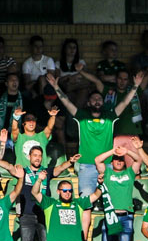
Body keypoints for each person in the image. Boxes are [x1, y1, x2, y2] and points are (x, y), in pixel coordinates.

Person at [46, 71, 141, 201]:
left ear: (103, 102)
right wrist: (56, 87)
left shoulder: (109, 116)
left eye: (99, 99)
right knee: (86, 201)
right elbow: (67, 102)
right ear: (89, 103)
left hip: (107, 165)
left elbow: (124, 103)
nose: (97, 101)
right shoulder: (82, 116)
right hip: (86, 166)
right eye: (94, 99)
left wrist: (135, 86)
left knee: (110, 201)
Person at [0, 149, 78, 241]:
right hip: (27, 214)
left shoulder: (46, 172)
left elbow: (60, 168)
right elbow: (9, 167)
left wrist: (70, 162)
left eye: (40, 156)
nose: (37, 158)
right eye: (35, 155)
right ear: (29, 157)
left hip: (44, 214)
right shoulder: (23, 172)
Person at [95, 146, 141, 241]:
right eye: (116, 159)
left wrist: (127, 151)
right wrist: (113, 151)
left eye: (121, 159)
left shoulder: (130, 173)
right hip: (111, 215)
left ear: (125, 162)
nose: (119, 161)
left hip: (127, 216)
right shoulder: (107, 173)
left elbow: (138, 159)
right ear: (112, 162)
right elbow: (97, 160)